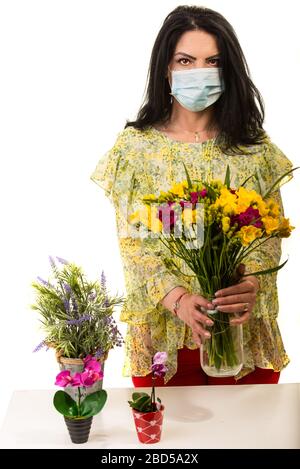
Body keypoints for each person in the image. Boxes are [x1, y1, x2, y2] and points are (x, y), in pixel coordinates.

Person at [90, 5, 293, 386]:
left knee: (254, 441)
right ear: (166, 67)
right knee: (176, 443)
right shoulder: (136, 151)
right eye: (186, 60)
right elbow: (136, 244)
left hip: (242, 334)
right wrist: (178, 299)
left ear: (227, 71)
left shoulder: (255, 149)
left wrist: (251, 285)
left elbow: (269, 235)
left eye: (212, 61)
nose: (199, 72)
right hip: (166, 339)